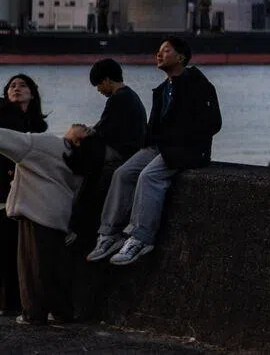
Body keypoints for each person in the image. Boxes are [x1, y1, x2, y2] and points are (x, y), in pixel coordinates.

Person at [87, 37, 222, 266]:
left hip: (186, 149)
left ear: (181, 57)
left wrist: (179, 139)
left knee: (149, 177)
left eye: (165, 51)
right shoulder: (162, 90)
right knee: (122, 173)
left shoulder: (198, 84)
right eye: (158, 51)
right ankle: (110, 234)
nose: (158, 55)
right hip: (160, 147)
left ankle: (141, 238)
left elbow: (213, 123)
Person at [0, 118, 80, 324]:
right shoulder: (80, 158)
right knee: (55, 266)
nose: (81, 124)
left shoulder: (46, 144)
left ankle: (33, 314)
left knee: (31, 266)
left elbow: (6, 139)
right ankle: (62, 312)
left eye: (85, 128)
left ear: (78, 139)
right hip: (59, 212)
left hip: (36, 209)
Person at [63, 59, 147, 246]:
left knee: (79, 152)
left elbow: (101, 130)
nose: (99, 90)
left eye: (99, 84)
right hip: (131, 149)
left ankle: (72, 221)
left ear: (108, 80)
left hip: (122, 151)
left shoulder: (118, 99)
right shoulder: (131, 96)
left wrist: (79, 134)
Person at [0, 75, 48, 317]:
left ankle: (16, 301)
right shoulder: (2, 116)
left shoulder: (39, 125)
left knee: (19, 247)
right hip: (4, 187)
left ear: (33, 92)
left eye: (22, 85)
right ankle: (10, 303)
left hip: (27, 189)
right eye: (12, 86)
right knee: (7, 244)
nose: (16, 89)